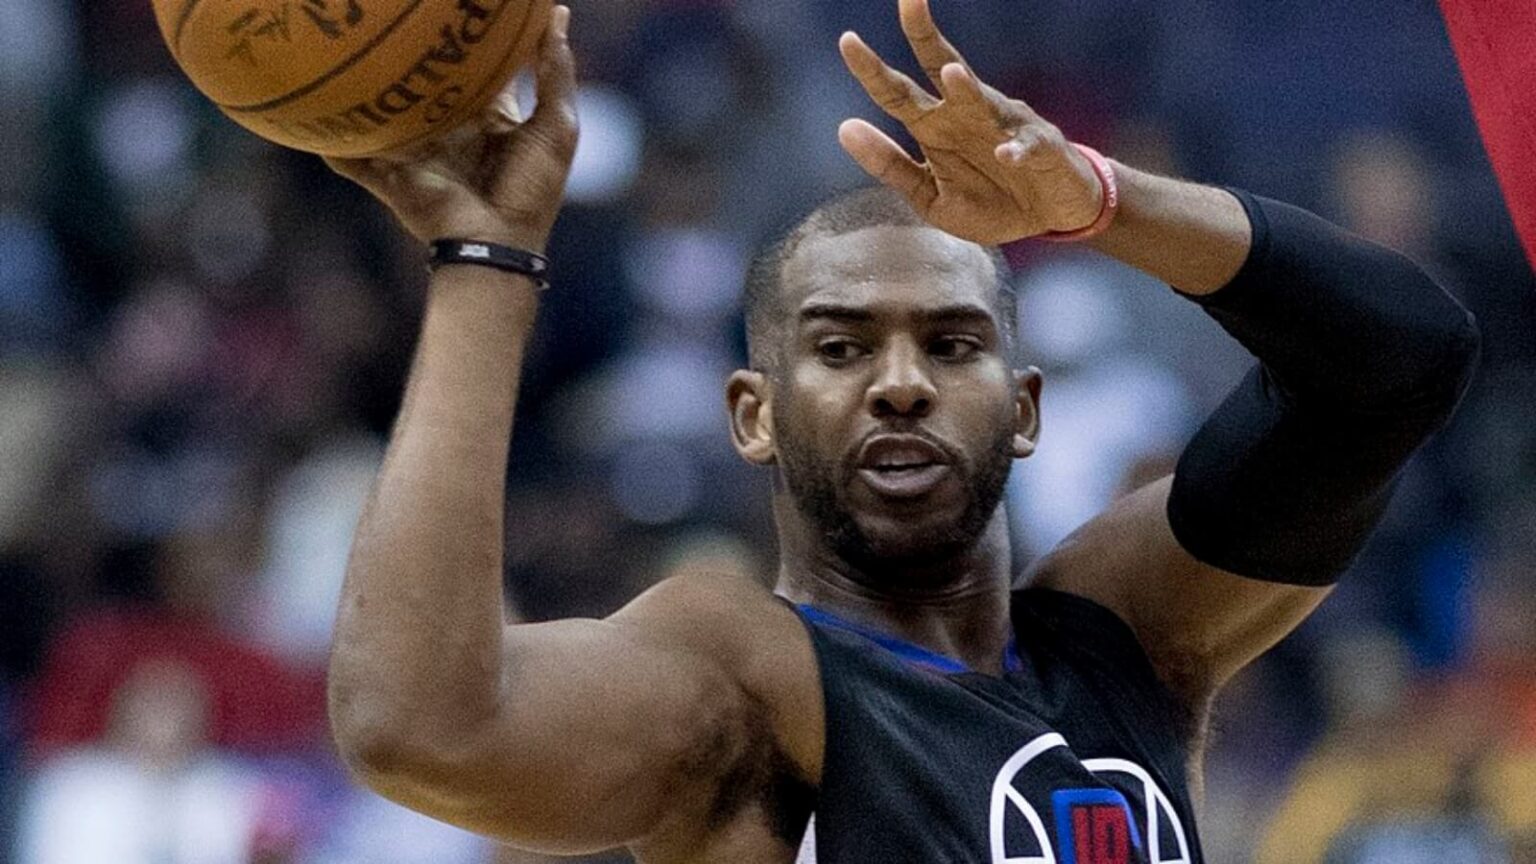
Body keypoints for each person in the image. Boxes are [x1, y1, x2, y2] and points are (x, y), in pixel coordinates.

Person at [322, 2, 1480, 862]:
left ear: (1024, 411)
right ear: (753, 416)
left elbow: (1401, 360)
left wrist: (1097, 202)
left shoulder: (1125, 634)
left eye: (953, 343)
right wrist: (484, 262)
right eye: (839, 348)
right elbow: (418, 727)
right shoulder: (749, 678)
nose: (900, 384)